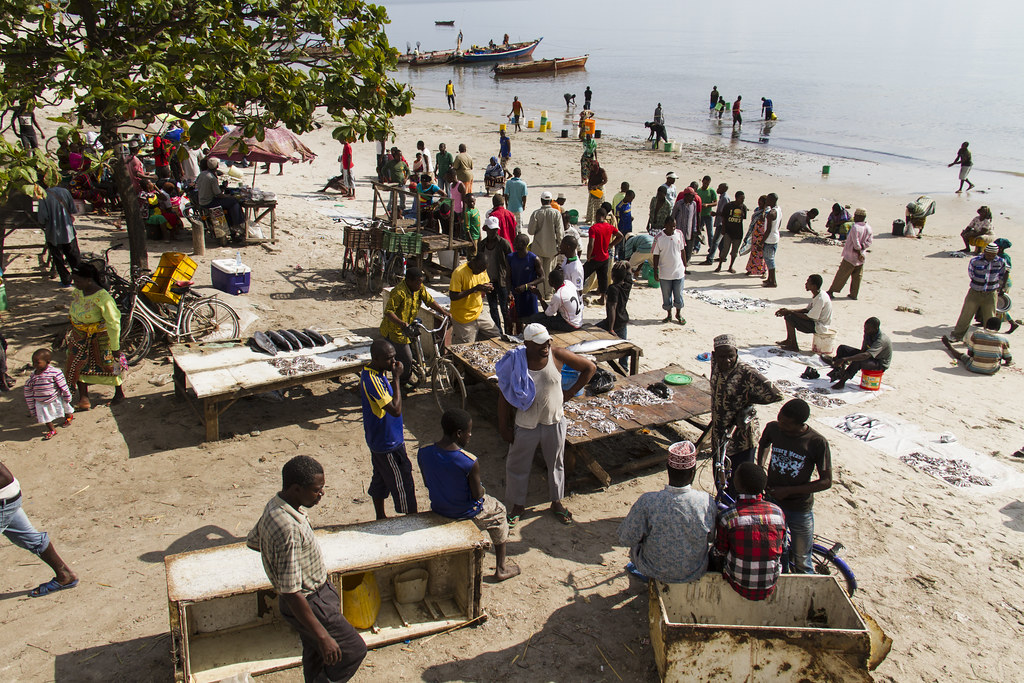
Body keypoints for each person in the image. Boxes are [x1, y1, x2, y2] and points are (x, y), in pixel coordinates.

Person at [247, 456, 367, 682]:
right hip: (311, 602)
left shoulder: (276, 505)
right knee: (352, 650)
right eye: (316, 490)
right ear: (296, 488)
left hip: (313, 598)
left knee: (316, 656)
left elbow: (255, 541)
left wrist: (282, 562)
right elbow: (292, 592)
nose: (321, 494)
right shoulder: (288, 528)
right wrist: (323, 635)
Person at [499, 324, 595, 527]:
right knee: (517, 465)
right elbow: (504, 395)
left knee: (556, 463)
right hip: (525, 424)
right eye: (540, 342)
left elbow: (589, 368)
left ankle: (556, 502)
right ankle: (517, 505)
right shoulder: (517, 361)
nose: (546, 345)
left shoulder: (557, 355)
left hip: (554, 421)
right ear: (527, 344)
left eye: (548, 341)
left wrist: (569, 393)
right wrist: (504, 426)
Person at [418, 409, 521, 581]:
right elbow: (477, 496)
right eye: (468, 431)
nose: (470, 435)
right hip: (464, 513)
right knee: (499, 510)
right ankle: (501, 568)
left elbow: (427, 482)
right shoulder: (468, 461)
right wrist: (482, 489)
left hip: (438, 506)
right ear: (459, 434)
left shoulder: (424, 452)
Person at [618, 441, 716, 583]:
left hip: (652, 570)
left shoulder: (648, 501)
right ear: (693, 472)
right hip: (694, 571)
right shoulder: (706, 501)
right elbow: (711, 537)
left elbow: (625, 538)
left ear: (667, 469)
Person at [758, 399, 833, 574]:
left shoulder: (816, 442)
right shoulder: (773, 428)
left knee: (802, 559)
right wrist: (761, 468)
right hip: (773, 503)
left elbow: (826, 482)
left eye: (787, 424)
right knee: (777, 552)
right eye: (780, 419)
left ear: (800, 424)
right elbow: (764, 444)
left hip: (800, 508)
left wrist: (789, 491)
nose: (781, 425)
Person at [1, 459, 79, 597]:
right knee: (28, 536)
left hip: (3, 499)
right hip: (9, 495)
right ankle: (65, 575)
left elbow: (3, 478)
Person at [711, 462, 787, 600]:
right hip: (769, 584)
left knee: (713, 552)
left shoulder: (728, 516)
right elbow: (782, 545)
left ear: (737, 485)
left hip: (738, 584)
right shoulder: (778, 513)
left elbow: (720, 551)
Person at [360, 339, 417, 519]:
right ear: (375, 358)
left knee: (381, 478)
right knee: (403, 481)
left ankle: (380, 516)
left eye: (394, 358)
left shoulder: (375, 371)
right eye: (388, 359)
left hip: (380, 439)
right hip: (388, 443)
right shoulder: (373, 379)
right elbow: (395, 409)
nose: (393, 363)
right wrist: (397, 378)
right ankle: (411, 519)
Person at [710, 334, 783, 471]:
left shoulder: (746, 372)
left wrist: (748, 400)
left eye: (731, 356)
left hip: (740, 436)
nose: (727, 361)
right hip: (719, 432)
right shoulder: (715, 364)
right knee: (720, 472)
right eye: (722, 356)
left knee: (738, 476)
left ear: (736, 353)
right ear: (714, 355)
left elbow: (776, 394)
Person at [65, 263, 125, 410]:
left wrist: (115, 347)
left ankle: (119, 393)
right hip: (80, 335)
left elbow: (113, 323)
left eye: (77, 281)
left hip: (101, 336)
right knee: (78, 364)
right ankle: (84, 398)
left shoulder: (103, 298)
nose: (75, 284)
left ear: (89, 280)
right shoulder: (78, 292)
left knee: (110, 365)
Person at [380, 268, 451, 389]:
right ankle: (401, 384)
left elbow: (429, 301)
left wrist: (444, 312)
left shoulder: (419, 288)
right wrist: (402, 324)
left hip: (409, 324)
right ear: (409, 281)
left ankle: (411, 372)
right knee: (407, 358)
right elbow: (388, 312)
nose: (420, 285)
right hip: (395, 329)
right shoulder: (399, 292)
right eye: (417, 282)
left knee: (414, 353)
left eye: (421, 282)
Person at [950, 242, 1008, 342]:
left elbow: (1003, 274)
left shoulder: (1000, 262)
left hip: (991, 293)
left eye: (993, 255)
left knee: (989, 316)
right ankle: (957, 335)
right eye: (988, 254)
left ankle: (988, 339)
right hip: (975, 292)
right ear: (985, 252)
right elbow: (971, 274)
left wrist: (1001, 287)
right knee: (966, 315)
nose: (990, 257)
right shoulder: (975, 261)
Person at [823, 317, 893, 389]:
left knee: (858, 361)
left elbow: (866, 355)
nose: (865, 330)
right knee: (843, 348)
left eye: (867, 329)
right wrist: (846, 360)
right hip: (870, 356)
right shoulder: (868, 333)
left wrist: (845, 359)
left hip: (879, 363)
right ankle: (839, 371)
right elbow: (863, 350)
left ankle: (842, 382)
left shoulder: (881, 340)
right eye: (865, 328)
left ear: (875, 329)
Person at [450, 252, 500, 343]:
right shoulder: (459, 272)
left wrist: (487, 287)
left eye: (482, 270)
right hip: (463, 317)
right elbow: (453, 296)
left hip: (479, 311)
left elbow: (483, 285)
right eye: (478, 269)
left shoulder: (482, 270)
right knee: (466, 346)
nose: (479, 272)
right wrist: (474, 289)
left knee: (496, 336)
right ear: (473, 261)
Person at [24, 348, 74, 440]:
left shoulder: (55, 372)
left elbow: (63, 386)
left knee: (65, 408)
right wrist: (31, 406)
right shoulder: (33, 376)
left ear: (47, 362)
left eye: (37, 362)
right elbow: (28, 390)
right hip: (41, 402)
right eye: (33, 362)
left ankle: (69, 417)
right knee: (46, 418)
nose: (34, 365)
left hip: (56, 397)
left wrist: (67, 396)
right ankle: (52, 430)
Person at [37, 185, 81, 288]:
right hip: (68, 231)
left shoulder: (43, 194)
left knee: (58, 257)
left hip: (53, 233)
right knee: (74, 256)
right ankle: (79, 279)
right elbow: (73, 209)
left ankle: (66, 281)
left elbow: (43, 217)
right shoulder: (65, 191)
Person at [776, 274, 832, 352]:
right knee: (788, 315)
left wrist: (790, 312)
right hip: (815, 321)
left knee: (789, 317)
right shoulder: (818, 294)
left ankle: (794, 345)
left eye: (808, 282)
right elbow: (806, 310)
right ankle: (789, 340)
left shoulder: (820, 299)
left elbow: (808, 317)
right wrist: (788, 310)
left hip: (819, 326)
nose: (806, 284)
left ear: (814, 286)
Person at [827, 208, 873, 300]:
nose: (854, 217)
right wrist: (862, 248)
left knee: (842, 274)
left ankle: (832, 291)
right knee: (857, 276)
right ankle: (854, 294)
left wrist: (858, 249)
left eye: (856, 216)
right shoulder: (868, 227)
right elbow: (869, 241)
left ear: (860, 216)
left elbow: (855, 241)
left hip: (851, 255)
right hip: (861, 257)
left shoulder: (855, 227)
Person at [197, 158, 245, 244]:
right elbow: (218, 194)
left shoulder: (202, 174)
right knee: (233, 202)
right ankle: (238, 224)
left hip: (202, 201)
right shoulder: (212, 178)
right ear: (217, 167)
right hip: (209, 202)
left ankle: (233, 226)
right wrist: (229, 196)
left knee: (230, 203)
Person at [479, 217, 513, 333]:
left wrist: (510, 285)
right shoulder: (482, 245)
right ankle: (498, 331)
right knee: (493, 308)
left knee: (504, 308)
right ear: (486, 229)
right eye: (491, 230)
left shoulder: (503, 243)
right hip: (488, 281)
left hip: (501, 280)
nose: (493, 232)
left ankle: (508, 332)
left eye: (495, 230)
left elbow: (511, 262)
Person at [942, 317, 1012, 374]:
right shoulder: (1003, 339)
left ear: (986, 325)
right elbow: (1008, 358)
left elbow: (970, 353)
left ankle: (949, 346)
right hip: (992, 370)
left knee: (962, 356)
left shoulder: (976, 334)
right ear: (999, 328)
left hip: (973, 367)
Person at [527, 191, 564, 298]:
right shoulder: (556, 213)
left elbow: (530, 231)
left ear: (542, 201)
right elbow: (560, 233)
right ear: (551, 201)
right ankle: (548, 294)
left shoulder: (536, 213)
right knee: (549, 272)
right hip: (552, 249)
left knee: (539, 272)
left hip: (538, 247)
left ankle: (540, 293)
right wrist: (560, 247)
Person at [583, 208, 621, 305]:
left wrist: (588, 256)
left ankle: (577, 294)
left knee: (582, 274)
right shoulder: (609, 227)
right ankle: (602, 298)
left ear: (596, 215)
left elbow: (591, 243)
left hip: (595, 257)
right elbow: (620, 236)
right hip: (605, 257)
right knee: (603, 277)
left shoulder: (594, 228)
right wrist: (611, 245)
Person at [652, 215, 686, 324]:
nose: (673, 229)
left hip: (678, 272)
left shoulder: (679, 234)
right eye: (671, 226)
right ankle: (669, 314)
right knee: (666, 296)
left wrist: (685, 265)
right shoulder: (658, 238)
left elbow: (682, 250)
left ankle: (678, 313)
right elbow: (655, 256)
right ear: (665, 226)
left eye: (674, 226)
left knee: (678, 295)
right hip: (665, 273)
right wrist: (655, 271)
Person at [508, 233, 545, 331]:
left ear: (524, 244)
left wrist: (526, 286)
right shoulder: (511, 257)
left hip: (529, 295)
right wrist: (509, 292)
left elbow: (542, 277)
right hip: (516, 294)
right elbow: (508, 276)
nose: (514, 244)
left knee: (531, 322)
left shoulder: (534, 259)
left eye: (517, 242)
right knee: (516, 320)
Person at [598, 261, 633, 341]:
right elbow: (629, 269)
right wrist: (626, 263)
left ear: (612, 276)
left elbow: (612, 308)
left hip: (614, 323)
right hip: (623, 321)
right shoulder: (627, 285)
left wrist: (611, 328)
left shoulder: (613, 288)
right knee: (622, 342)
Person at [716, 191, 747, 273]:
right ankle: (719, 266)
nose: (742, 200)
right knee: (725, 249)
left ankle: (731, 266)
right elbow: (724, 218)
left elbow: (743, 219)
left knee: (734, 252)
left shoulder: (743, 207)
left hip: (738, 233)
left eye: (743, 199)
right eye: (741, 198)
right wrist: (723, 229)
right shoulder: (728, 206)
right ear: (736, 198)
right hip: (728, 232)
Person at [672, 187, 698, 265]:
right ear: (686, 196)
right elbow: (673, 216)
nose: (693, 198)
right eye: (692, 196)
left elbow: (694, 218)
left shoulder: (693, 204)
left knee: (688, 251)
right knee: (678, 251)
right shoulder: (679, 204)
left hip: (689, 232)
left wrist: (694, 230)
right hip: (679, 233)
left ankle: (684, 266)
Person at [761, 193, 781, 288]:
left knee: (769, 260)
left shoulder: (771, 213)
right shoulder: (778, 209)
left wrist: (761, 242)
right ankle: (770, 279)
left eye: (768, 199)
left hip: (769, 239)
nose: (766, 201)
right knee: (769, 259)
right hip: (775, 237)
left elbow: (768, 230)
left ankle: (773, 281)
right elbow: (779, 223)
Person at [696, 176, 718, 255]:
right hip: (700, 215)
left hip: (708, 214)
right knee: (698, 232)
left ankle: (711, 248)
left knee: (710, 233)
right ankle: (696, 248)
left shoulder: (711, 191)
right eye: (704, 183)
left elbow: (715, 202)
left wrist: (708, 205)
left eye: (707, 183)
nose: (705, 185)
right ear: (702, 181)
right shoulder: (698, 191)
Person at [615, 189, 635, 260]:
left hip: (629, 226)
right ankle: (620, 257)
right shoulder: (619, 206)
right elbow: (616, 218)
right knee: (621, 243)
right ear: (627, 196)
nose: (631, 200)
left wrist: (630, 217)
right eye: (631, 198)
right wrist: (616, 228)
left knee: (629, 241)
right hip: (622, 227)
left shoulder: (629, 203)